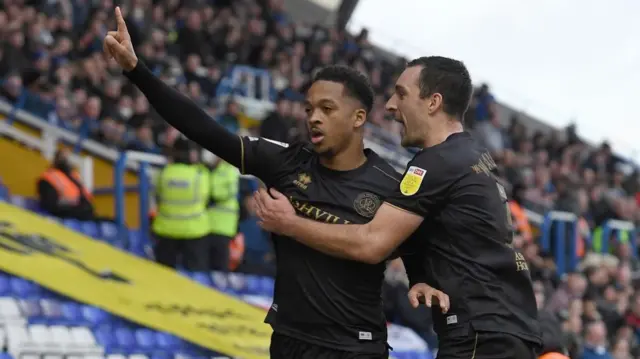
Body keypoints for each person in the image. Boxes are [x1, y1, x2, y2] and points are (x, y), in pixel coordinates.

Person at [103, 8, 447, 358]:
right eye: (309, 108)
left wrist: (422, 274)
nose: (313, 117)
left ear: (359, 118)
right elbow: (204, 129)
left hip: (354, 348)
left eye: (327, 109)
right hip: (288, 341)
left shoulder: (391, 185)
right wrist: (137, 71)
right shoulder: (287, 161)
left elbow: (418, 249)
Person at [253, 56, 542, 359]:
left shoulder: (436, 163)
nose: (391, 105)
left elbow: (371, 244)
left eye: (402, 94)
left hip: (481, 335)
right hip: (505, 329)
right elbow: (435, 237)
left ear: (433, 102)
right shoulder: (472, 155)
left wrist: (290, 223)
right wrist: (419, 276)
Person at [152, 138, 211, 271]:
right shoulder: (200, 174)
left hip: (166, 230)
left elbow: (158, 196)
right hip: (194, 231)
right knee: (195, 278)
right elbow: (205, 197)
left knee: (162, 275)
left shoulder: (164, 173)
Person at [37, 148, 95, 220]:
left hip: (83, 212)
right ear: (56, 159)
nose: (67, 160)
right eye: (63, 157)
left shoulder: (74, 176)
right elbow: (50, 203)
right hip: (63, 214)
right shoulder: (49, 177)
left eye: (67, 157)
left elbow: (85, 196)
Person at [207, 155, 240, 271]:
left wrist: (210, 195)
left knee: (220, 267)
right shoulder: (212, 170)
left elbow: (224, 193)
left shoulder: (229, 171)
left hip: (223, 227)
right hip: (208, 226)